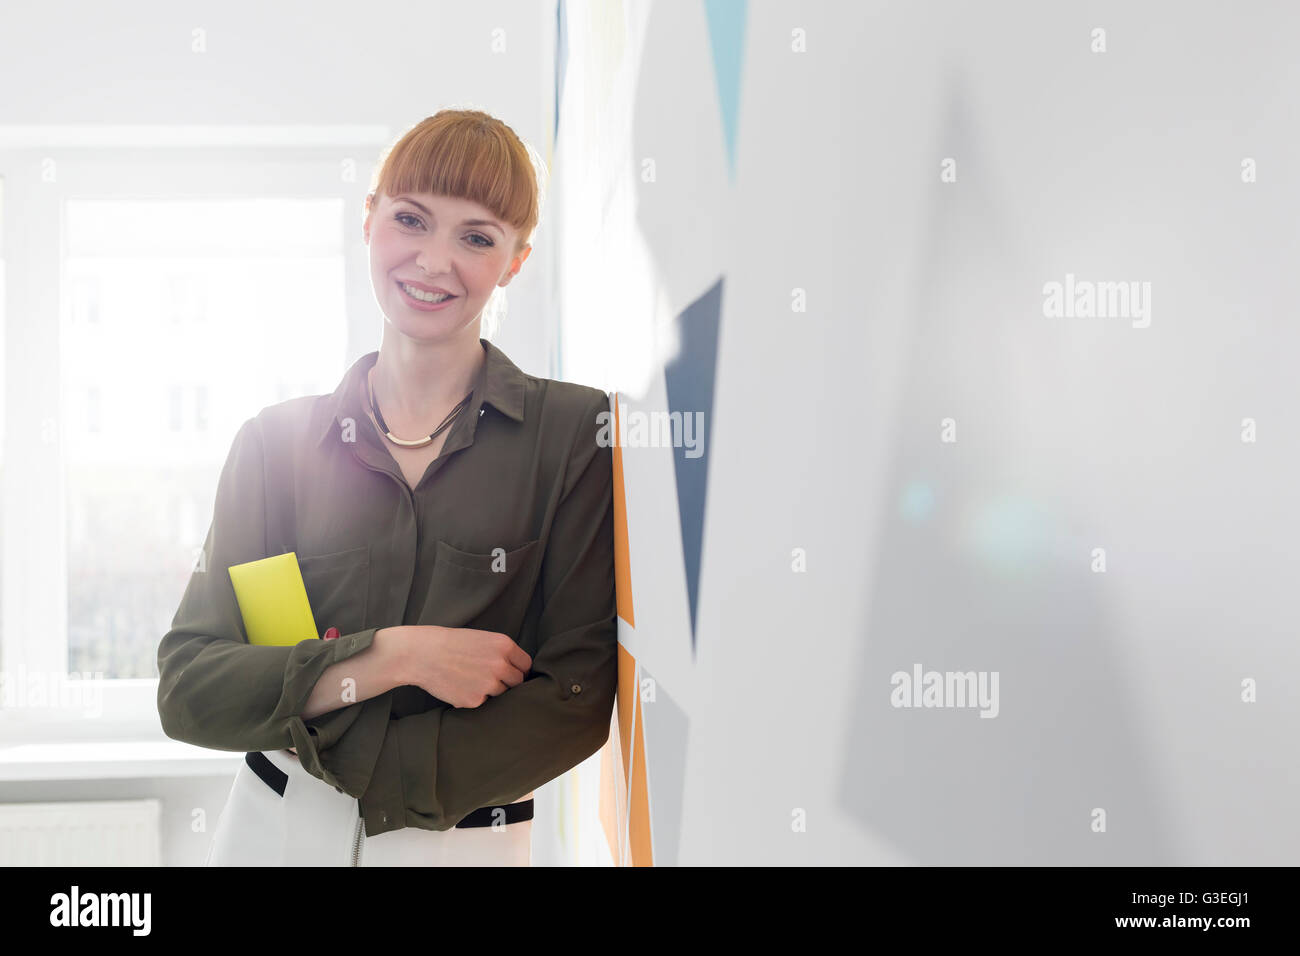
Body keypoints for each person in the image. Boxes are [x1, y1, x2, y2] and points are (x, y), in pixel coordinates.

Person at [157, 109, 618, 866]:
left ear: (515, 262)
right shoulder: (273, 446)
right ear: (369, 222)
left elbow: (575, 698)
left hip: (459, 841)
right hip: (273, 828)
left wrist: (343, 743)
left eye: (476, 237)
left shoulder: (570, 435)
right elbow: (191, 687)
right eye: (412, 219)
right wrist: (400, 656)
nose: (434, 261)